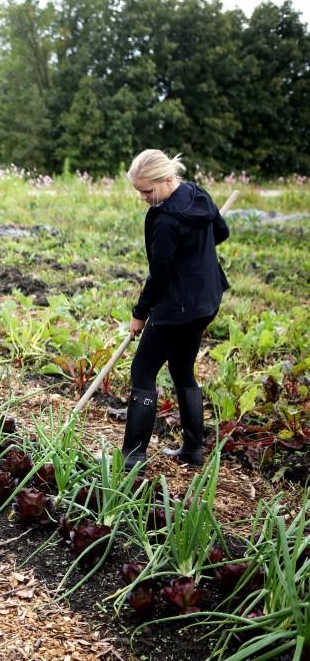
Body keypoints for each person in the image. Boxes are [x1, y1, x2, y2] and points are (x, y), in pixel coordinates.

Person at [120, 149, 229, 471]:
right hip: (206, 300)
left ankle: (132, 457)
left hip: (178, 306)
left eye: (147, 190)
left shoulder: (166, 219)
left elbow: (161, 273)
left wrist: (140, 313)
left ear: (167, 180)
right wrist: (195, 250)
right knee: (182, 369)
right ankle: (193, 451)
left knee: (143, 371)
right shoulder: (197, 194)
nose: (143, 197)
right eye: (139, 191)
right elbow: (221, 232)